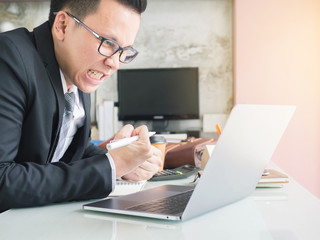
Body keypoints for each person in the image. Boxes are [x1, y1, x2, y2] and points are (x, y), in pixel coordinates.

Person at [0, 0, 162, 213]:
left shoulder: (78, 71)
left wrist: (123, 162)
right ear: (63, 26)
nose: (114, 63)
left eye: (124, 50)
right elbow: (2, 180)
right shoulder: (9, 58)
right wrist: (111, 166)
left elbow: (69, 150)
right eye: (107, 43)